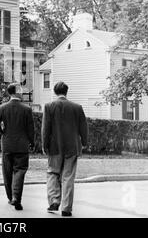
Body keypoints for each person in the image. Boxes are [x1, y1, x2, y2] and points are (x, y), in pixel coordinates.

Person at [42, 81, 88, 217]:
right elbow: (83, 127)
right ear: (66, 91)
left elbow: (46, 129)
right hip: (72, 147)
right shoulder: (77, 107)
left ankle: (54, 201)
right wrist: (84, 142)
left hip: (54, 146)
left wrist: (44, 145)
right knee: (68, 177)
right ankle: (66, 208)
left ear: (55, 92)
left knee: (52, 173)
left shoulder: (49, 106)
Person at [0, 83, 35, 211]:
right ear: (17, 92)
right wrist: (32, 142)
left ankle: (10, 197)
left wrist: (4, 134)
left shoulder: (2, 108)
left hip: (7, 144)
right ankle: (16, 198)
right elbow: (31, 129)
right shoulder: (27, 109)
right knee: (20, 170)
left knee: (7, 172)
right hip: (22, 145)